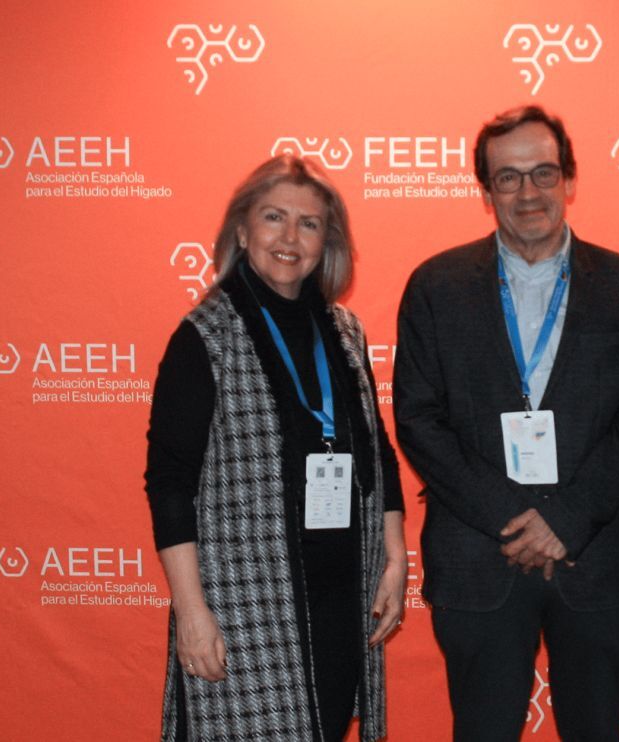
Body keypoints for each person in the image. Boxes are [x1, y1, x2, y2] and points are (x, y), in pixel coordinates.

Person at [393, 105, 619, 741]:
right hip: (478, 554)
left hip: (594, 555)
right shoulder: (435, 286)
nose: (528, 193)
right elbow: (419, 418)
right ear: (486, 191)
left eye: (543, 173)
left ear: (569, 179)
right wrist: (514, 517)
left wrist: (565, 520)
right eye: (508, 178)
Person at [144, 154, 406, 741]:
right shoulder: (205, 337)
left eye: (308, 223)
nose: (290, 238)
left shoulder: (345, 332)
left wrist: (394, 558)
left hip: (339, 596)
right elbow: (169, 485)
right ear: (242, 231)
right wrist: (191, 612)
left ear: (326, 242)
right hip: (244, 604)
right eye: (273, 217)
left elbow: (377, 453)